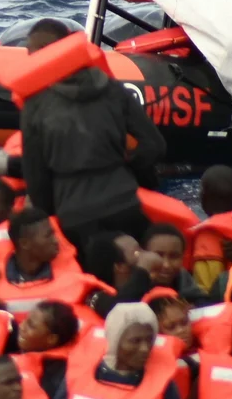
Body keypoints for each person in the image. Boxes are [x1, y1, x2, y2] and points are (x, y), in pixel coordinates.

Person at [18, 19, 162, 242]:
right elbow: (154, 145)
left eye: (32, 53)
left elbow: (36, 177)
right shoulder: (113, 89)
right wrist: (127, 174)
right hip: (124, 204)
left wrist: (50, 215)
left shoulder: (35, 105)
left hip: (74, 215)